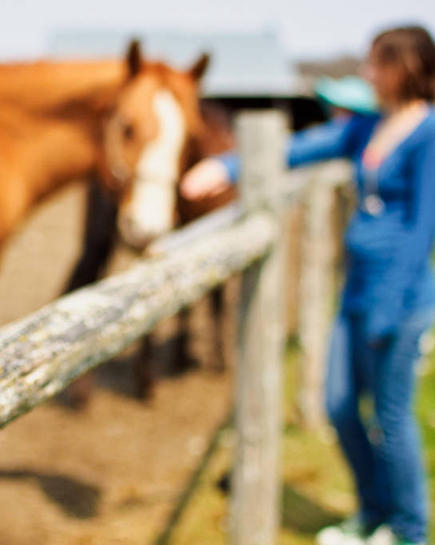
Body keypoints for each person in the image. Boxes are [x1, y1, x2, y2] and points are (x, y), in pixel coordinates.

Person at [181, 25, 435, 545]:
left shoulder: (429, 134)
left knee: (390, 417)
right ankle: (372, 514)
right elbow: (304, 147)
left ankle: (409, 528)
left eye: (376, 64)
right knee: (341, 405)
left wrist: (388, 312)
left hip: (399, 300)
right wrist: (227, 165)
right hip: (358, 291)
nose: (366, 74)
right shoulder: (367, 127)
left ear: (405, 67)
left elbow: (420, 230)